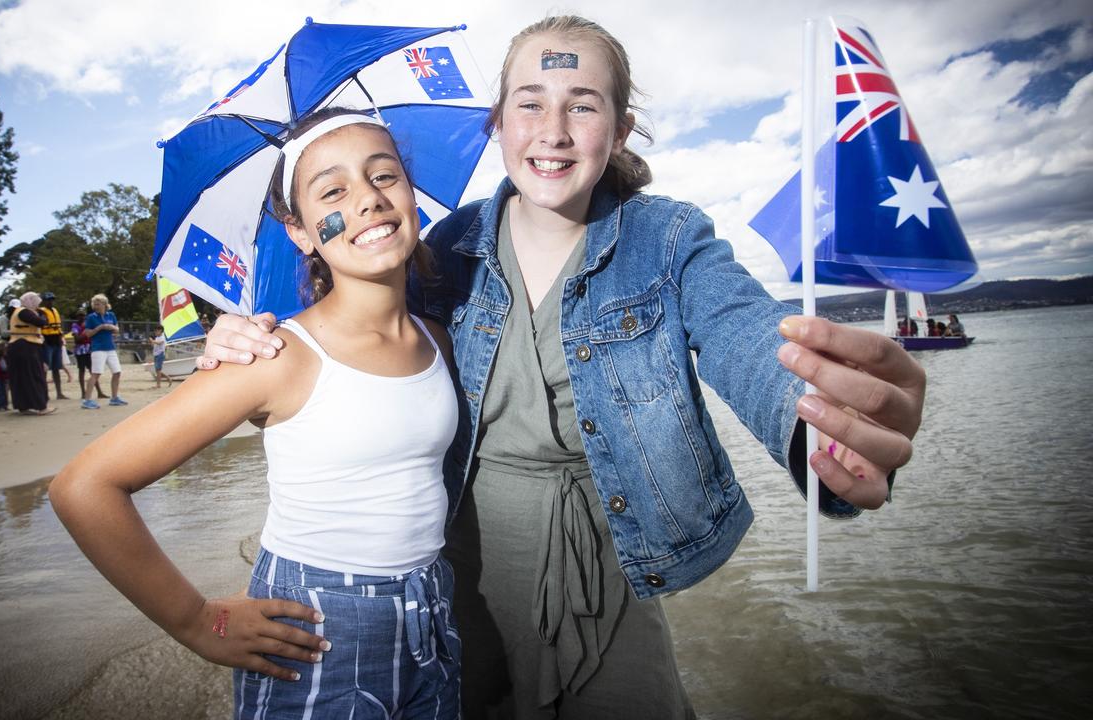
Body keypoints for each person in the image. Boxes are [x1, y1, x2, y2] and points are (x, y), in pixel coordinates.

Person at [200, 15, 927, 719]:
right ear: (499, 124)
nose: (553, 131)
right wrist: (248, 333)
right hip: (465, 571)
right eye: (530, 105)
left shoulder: (667, 238)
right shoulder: (446, 247)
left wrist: (818, 422)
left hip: (612, 573)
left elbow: (744, 331)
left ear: (618, 131)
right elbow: (358, 322)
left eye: (582, 106)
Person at [50, 109, 461, 718]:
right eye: (333, 190)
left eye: (384, 176)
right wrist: (196, 622)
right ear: (300, 231)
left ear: (410, 190)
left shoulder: (439, 338)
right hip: (318, 626)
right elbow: (84, 487)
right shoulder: (274, 355)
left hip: (434, 611)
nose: (369, 200)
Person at [7, 292, 56, 416]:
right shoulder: (24, 312)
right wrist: (43, 316)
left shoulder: (19, 312)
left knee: (21, 378)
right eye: (36, 303)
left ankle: (23, 405)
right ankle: (41, 406)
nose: (37, 306)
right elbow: (41, 322)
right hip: (25, 346)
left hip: (20, 346)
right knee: (34, 376)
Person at [81, 294, 127, 409]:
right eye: (95, 304)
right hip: (98, 348)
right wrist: (100, 327)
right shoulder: (91, 317)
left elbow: (117, 330)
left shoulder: (111, 315)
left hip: (110, 347)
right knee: (96, 374)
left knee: (117, 372)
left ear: (105, 305)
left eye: (98, 304)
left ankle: (114, 397)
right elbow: (88, 334)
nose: (96, 306)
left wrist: (111, 327)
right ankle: (87, 400)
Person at [38, 292, 70, 400]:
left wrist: (61, 338)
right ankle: (44, 394)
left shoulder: (55, 311)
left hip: (56, 341)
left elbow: (58, 327)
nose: (50, 301)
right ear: (44, 301)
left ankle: (59, 393)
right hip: (47, 342)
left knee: (57, 368)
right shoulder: (41, 312)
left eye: (52, 299)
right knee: (45, 368)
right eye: (48, 300)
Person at [71, 312, 108, 399]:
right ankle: (83, 392)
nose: (82, 317)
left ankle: (99, 392)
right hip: (80, 350)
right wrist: (86, 332)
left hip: (88, 349)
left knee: (92, 371)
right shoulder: (75, 326)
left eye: (84, 316)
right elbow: (77, 340)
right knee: (82, 370)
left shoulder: (85, 326)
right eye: (80, 316)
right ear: (77, 317)